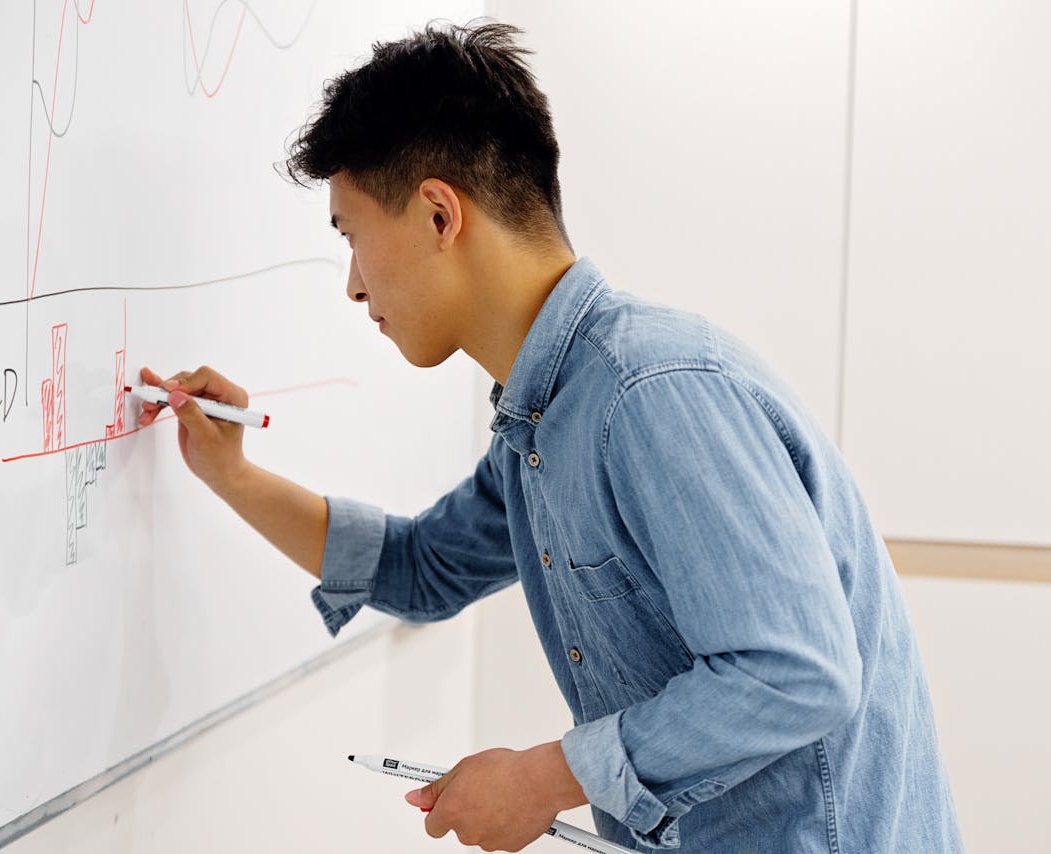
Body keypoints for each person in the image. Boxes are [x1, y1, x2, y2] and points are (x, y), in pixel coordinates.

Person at [139, 21, 962, 853]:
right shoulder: (542, 420)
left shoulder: (648, 394)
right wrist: (230, 475)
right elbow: (420, 569)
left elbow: (798, 674)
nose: (354, 286)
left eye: (351, 237)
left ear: (437, 215)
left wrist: (542, 778)